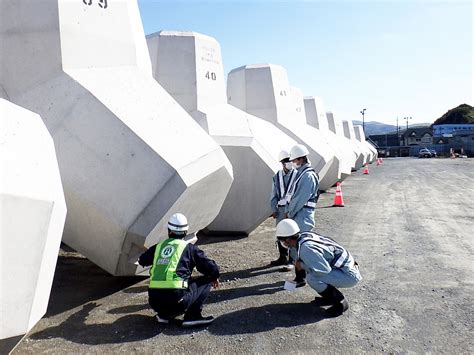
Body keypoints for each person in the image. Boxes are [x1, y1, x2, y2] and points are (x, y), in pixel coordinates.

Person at [138, 213, 220, 327]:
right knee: (206, 280)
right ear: (185, 232)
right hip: (177, 301)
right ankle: (193, 316)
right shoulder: (189, 249)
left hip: (154, 302)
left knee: (174, 284)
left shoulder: (159, 247)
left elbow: (142, 260)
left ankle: (163, 315)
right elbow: (213, 269)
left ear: (169, 230)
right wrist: (214, 277)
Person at [275, 219, 361, 317]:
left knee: (312, 278)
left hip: (349, 275)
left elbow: (323, 270)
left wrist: (302, 266)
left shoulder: (306, 249)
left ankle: (340, 302)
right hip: (346, 268)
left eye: (282, 240)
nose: (283, 243)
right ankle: (329, 298)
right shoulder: (304, 236)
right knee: (312, 271)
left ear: (288, 239)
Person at [285, 144, 320, 287]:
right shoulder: (303, 174)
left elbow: (299, 198)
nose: (293, 163)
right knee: (297, 247)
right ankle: (301, 276)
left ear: (301, 159)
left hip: (302, 216)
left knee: (299, 247)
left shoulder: (307, 176)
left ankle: (302, 277)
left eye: (294, 161)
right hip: (301, 215)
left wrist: (289, 213)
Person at [269, 150, 297, 271]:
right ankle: (282, 257)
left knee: (292, 234)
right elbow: (273, 194)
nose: (289, 163)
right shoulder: (277, 176)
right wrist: (273, 208)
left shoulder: (297, 175)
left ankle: (292, 260)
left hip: (292, 209)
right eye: (286, 161)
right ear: (282, 163)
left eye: (290, 160)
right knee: (281, 234)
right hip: (280, 210)